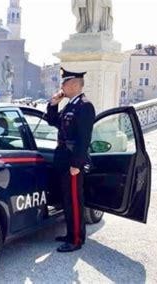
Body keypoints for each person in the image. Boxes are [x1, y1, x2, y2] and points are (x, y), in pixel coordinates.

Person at [47, 67, 95, 253]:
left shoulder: (85, 106)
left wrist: (77, 163)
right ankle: (70, 233)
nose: (61, 87)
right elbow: (54, 122)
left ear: (75, 84)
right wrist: (53, 103)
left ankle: (76, 240)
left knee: (74, 200)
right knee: (66, 198)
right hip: (62, 156)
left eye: (64, 83)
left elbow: (84, 138)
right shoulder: (70, 105)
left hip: (72, 160)